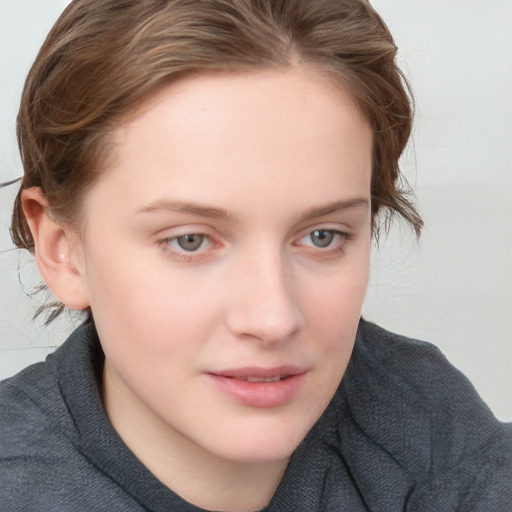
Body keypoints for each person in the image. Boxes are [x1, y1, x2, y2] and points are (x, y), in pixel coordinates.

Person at [0, 0, 510, 510]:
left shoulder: (437, 435)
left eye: (322, 236)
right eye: (190, 241)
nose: (273, 319)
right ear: (62, 249)